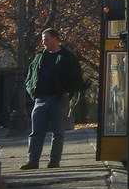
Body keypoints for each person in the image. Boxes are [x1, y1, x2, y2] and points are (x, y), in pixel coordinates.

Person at [21, 28, 85, 170]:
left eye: (47, 39)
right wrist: (32, 92)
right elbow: (30, 77)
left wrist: (68, 92)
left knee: (58, 132)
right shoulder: (39, 57)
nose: (44, 42)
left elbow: (76, 77)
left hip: (59, 99)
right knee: (36, 132)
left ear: (56, 38)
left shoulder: (67, 56)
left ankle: (54, 161)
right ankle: (32, 161)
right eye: (43, 39)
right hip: (41, 99)